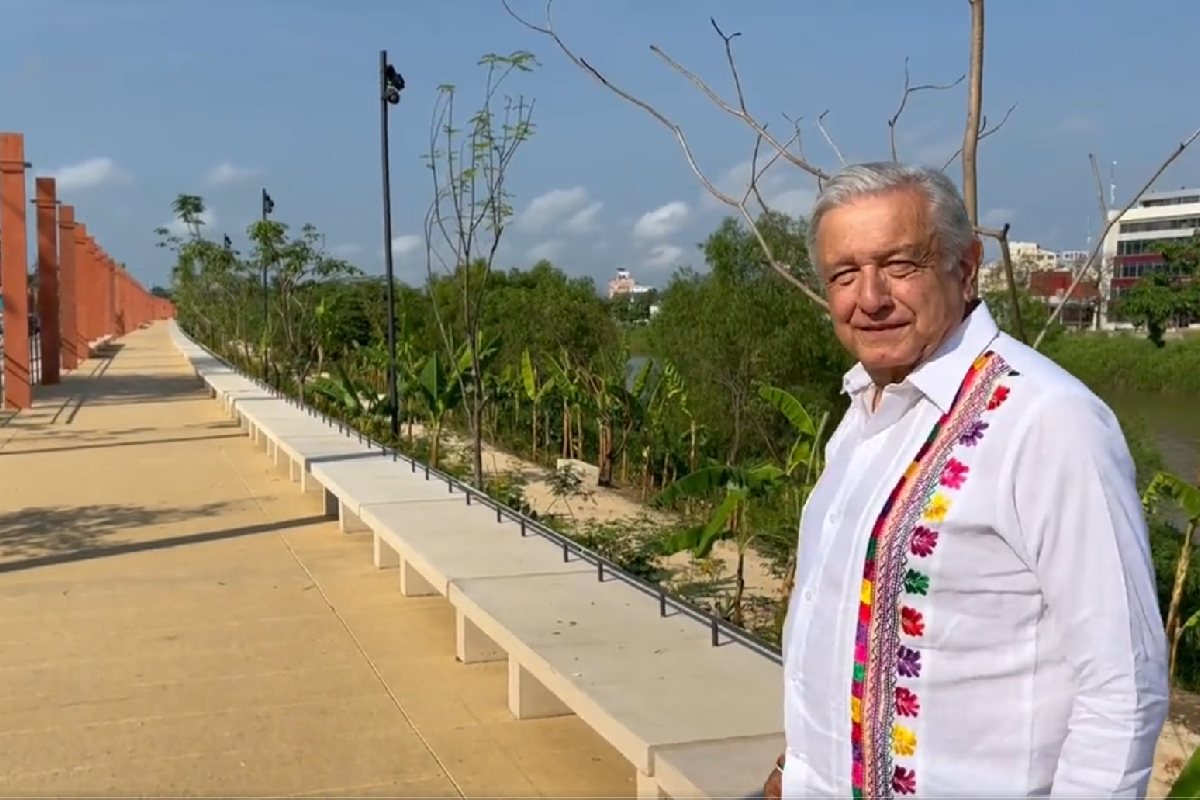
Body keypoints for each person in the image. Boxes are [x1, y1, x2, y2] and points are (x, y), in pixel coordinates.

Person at [765, 162, 1170, 798]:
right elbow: (839, 628)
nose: (869, 298)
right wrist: (797, 768)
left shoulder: (1047, 420)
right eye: (844, 274)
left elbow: (1126, 687)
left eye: (899, 265)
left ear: (966, 265)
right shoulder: (861, 415)